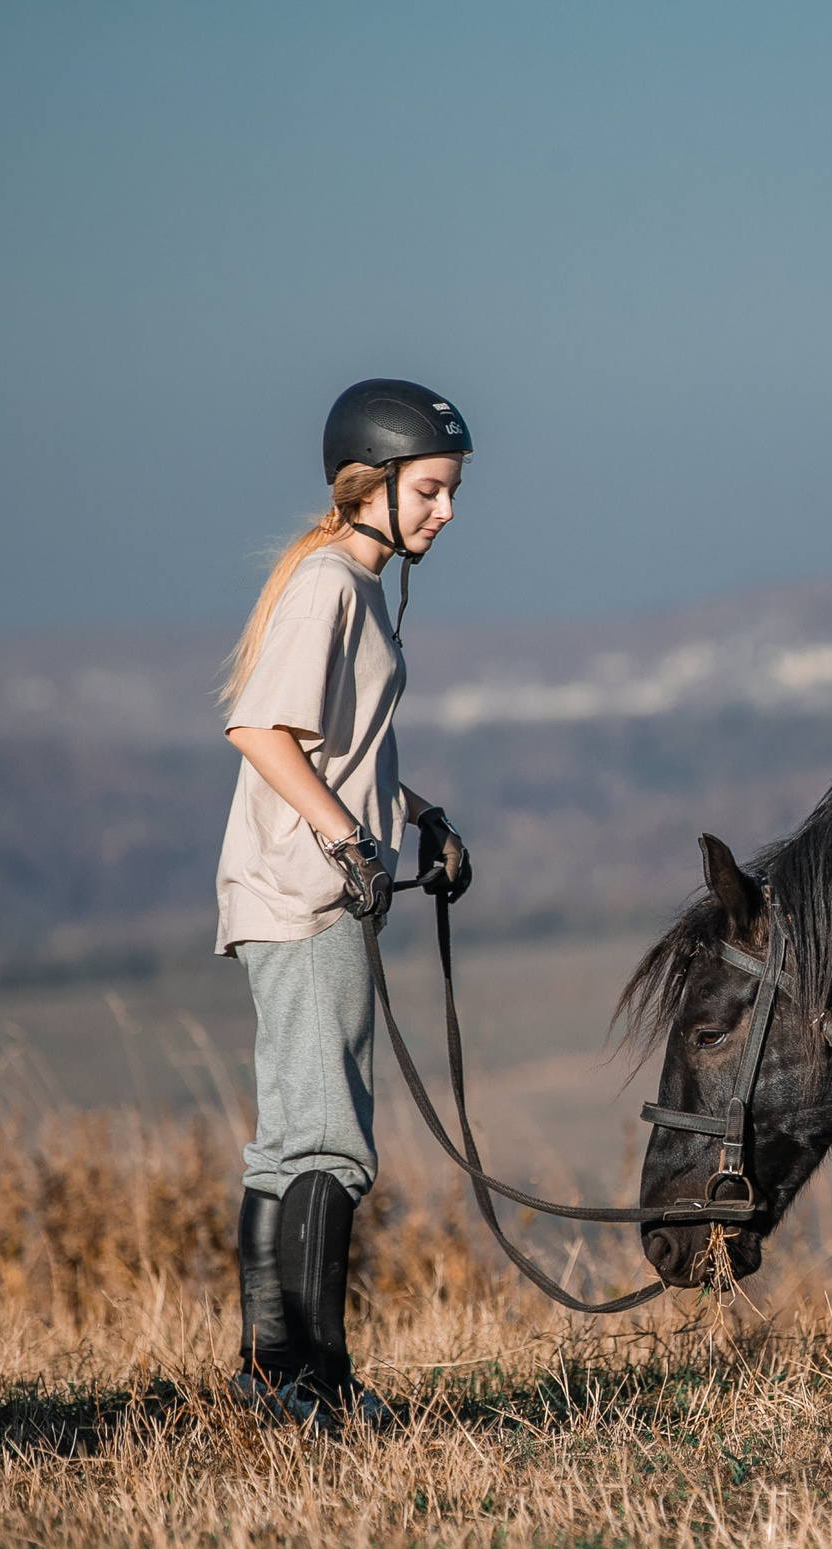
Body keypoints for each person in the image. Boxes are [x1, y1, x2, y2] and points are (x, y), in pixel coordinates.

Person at [213, 378, 476, 1427]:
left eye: (450, 492)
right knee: (327, 1144)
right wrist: (340, 836)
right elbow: (259, 730)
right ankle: (305, 1380)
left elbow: (340, 748)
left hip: (308, 884)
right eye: (430, 490)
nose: (445, 512)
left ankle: (273, 1373)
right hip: (305, 894)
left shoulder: (355, 583)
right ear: (371, 484)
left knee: (291, 1143)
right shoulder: (330, 583)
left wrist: (416, 816)